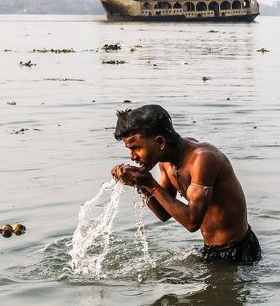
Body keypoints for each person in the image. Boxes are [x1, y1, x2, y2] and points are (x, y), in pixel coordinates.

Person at [111, 104, 261, 262]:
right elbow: (164, 214)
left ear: (160, 142)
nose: (132, 157)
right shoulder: (165, 162)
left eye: (136, 148)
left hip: (238, 251)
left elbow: (192, 222)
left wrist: (150, 184)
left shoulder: (203, 159)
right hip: (211, 249)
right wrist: (139, 184)